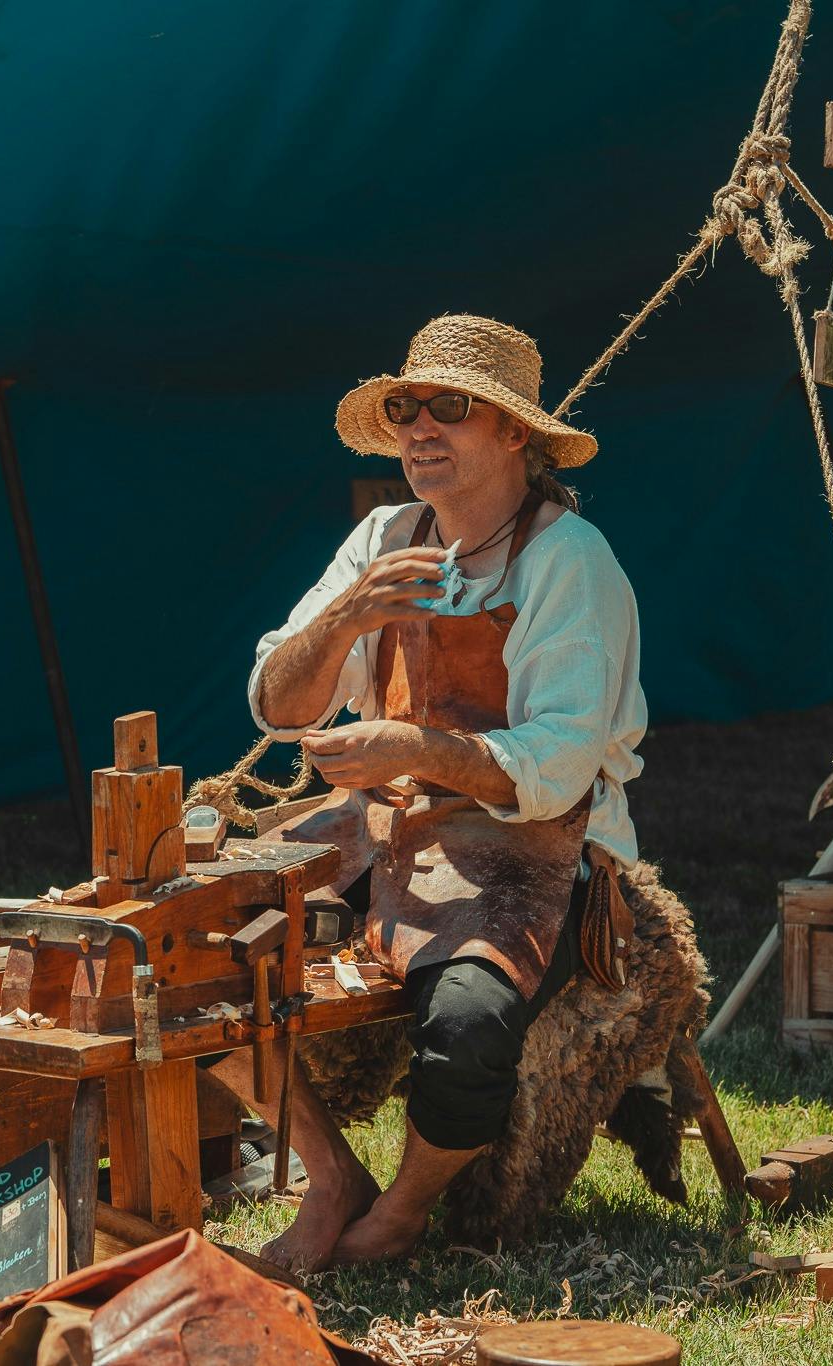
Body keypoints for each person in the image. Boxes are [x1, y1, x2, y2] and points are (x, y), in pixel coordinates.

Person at [216, 314, 646, 1270]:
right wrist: (349, 616)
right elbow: (275, 704)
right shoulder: (383, 537)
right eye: (406, 408)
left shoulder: (571, 563)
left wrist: (410, 745)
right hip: (383, 827)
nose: (418, 427)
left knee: (465, 1026)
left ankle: (405, 1209)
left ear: (514, 435)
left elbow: (557, 770)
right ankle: (334, 1182)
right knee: (194, 948)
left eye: (450, 408)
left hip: (530, 845)